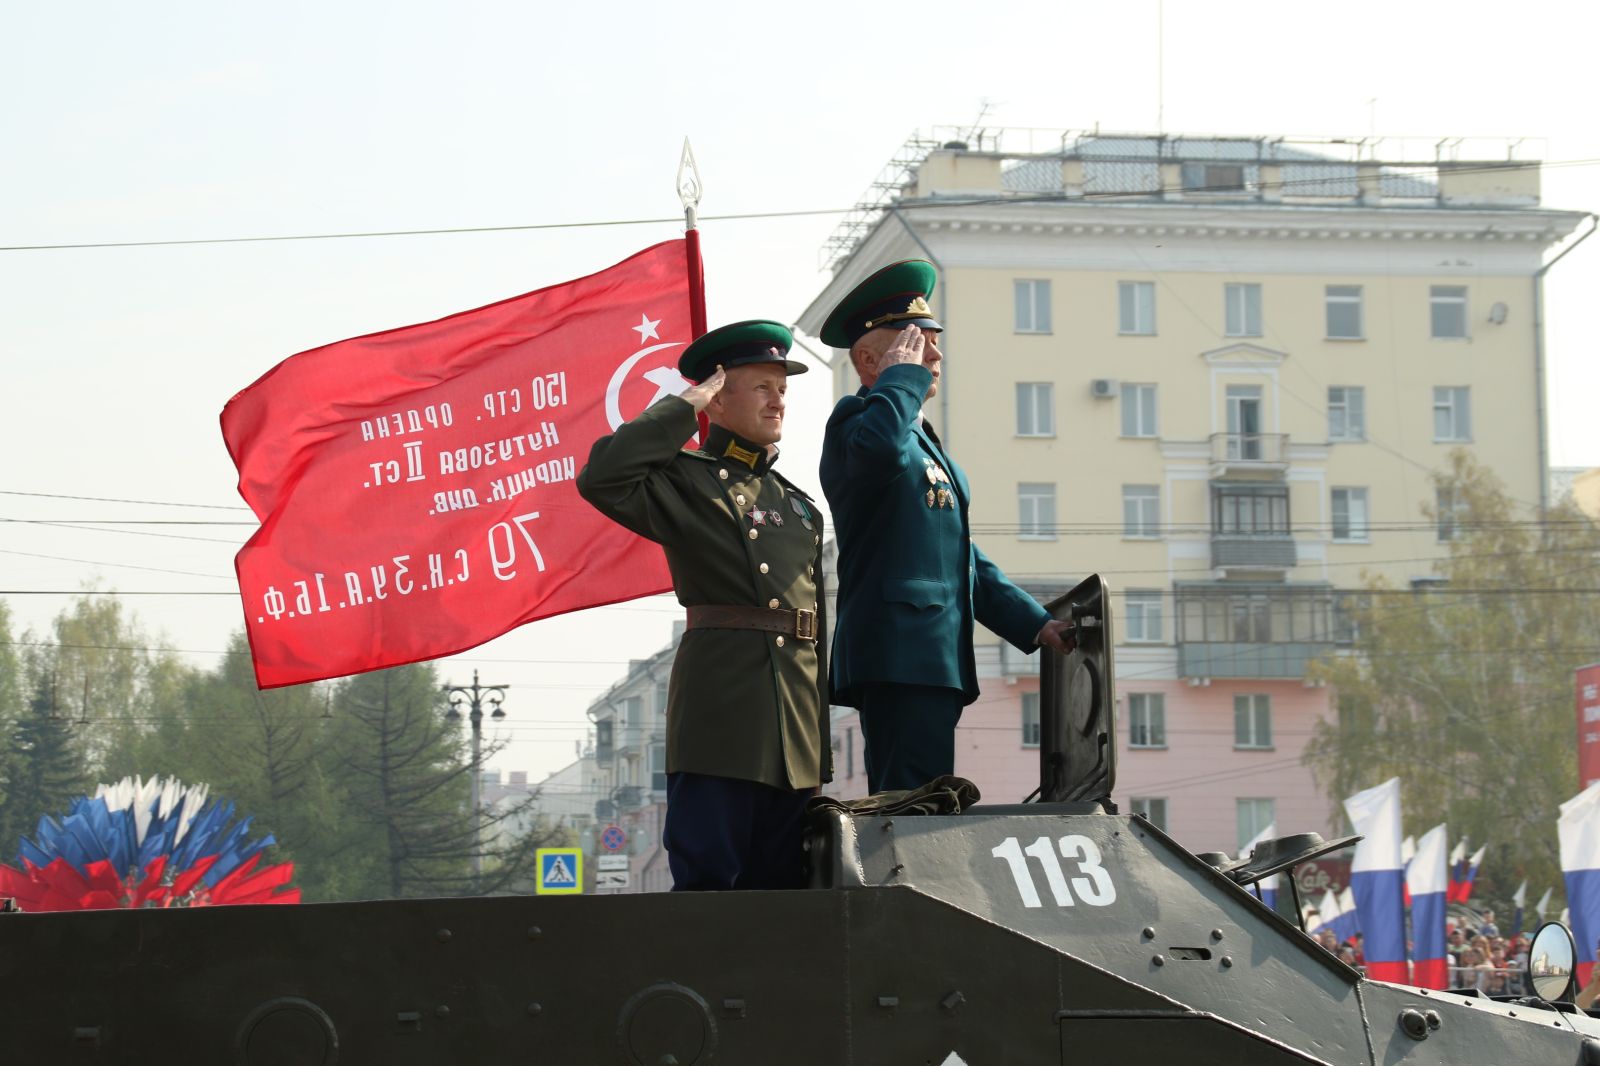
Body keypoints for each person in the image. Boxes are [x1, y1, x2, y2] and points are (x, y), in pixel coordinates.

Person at [576, 320, 829, 890]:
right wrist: (682, 407)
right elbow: (603, 477)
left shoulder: (798, 506)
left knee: (785, 890)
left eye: (782, 389)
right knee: (707, 885)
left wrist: (817, 736)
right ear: (718, 397)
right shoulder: (686, 481)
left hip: (793, 732)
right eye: (762, 386)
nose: (778, 400)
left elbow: (815, 629)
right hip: (723, 722)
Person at [819, 260, 1075, 793]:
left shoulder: (924, 442)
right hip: (897, 654)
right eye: (915, 344)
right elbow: (877, 452)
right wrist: (900, 380)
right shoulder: (857, 422)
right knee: (909, 803)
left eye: (933, 343)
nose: (933, 356)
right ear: (870, 360)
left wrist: (1034, 624)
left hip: (933, 656)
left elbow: (961, 555)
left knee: (929, 799)